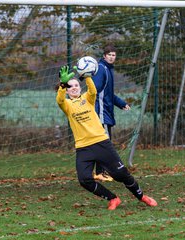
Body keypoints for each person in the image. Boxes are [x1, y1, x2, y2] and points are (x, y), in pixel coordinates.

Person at [56, 65, 157, 210]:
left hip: (101, 143)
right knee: (84, 180)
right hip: (83, 148)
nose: (74, 88)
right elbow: (59, 100)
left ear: (80, 86)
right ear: (67, 89)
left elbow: (93, 90)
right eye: (70, 86)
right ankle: (113, 198)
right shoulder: (67, 105)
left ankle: (142, 196)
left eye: (76, 85)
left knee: (121, 174)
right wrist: (62, 85)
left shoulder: (87, 98)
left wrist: (88, 76)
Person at [92, 44, 131, 182]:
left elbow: (108, 94)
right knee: (105, 143)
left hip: (106, 112)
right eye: (109, 55)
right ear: (104, 56)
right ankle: (102, 172)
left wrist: (121, 103)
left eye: (114, 55)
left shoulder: (108, 70)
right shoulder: (101, 69)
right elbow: (95, 91)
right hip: (101, 113)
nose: (111, 57)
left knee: (102, 143)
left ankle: (100, 171)